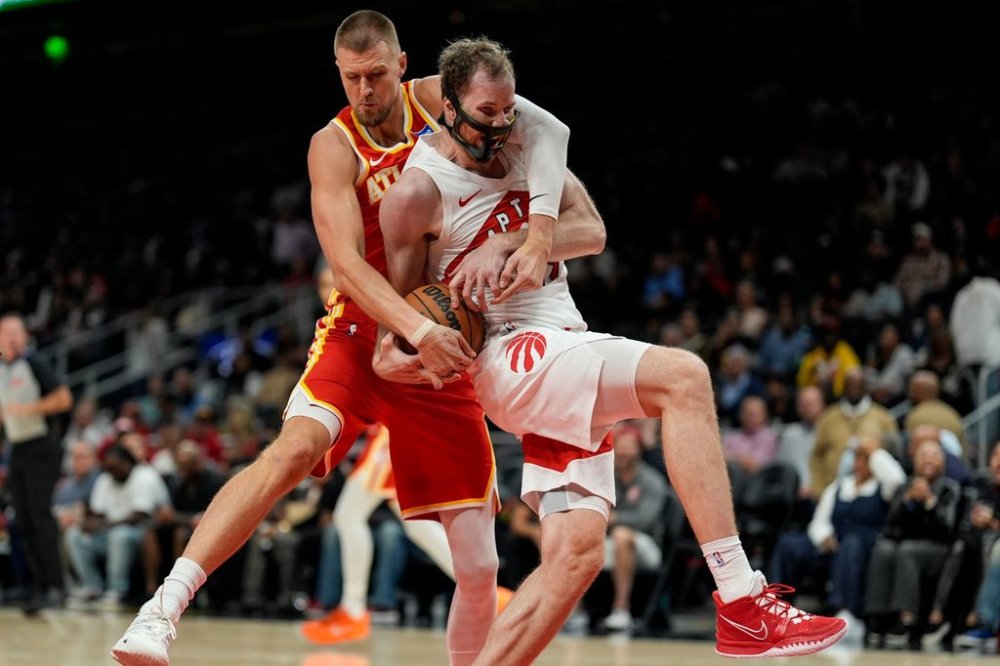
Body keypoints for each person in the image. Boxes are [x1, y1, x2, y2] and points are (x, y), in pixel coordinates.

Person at [111, 10, 578, 666]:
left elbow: (547, 132)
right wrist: (411, 325)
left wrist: (532, 231)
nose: (366, 89)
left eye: (378, 75)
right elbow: (348, 265)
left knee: (477, 564)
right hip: (365, 331)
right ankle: (162, 610)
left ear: (401, 64)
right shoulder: (331, 146)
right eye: (353, 77)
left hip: (438, 344)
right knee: (291, 453)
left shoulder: (441, 98)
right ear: (339, 72)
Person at [377, 36, 847, 662]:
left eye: (507, 110)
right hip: (506, 354)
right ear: (450, 107)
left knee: (575, 558)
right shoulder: (417, 192)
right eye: (485, 113)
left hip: (560, 341)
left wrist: (517, 238)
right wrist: (406, 349)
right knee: (683, 377)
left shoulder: (526, 148)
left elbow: (591, 231)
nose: (499, 124)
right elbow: (398, 319)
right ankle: (740, 600)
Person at [0, 312, 74, 615]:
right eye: (8, 333)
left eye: (19, 332)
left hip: (42, 446)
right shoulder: (2, 370)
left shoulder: (34, 363)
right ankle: (38, 585)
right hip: (16, 448)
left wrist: (26, 409)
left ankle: (57, 585)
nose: (14, 337)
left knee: (41, 515)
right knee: (22, 519)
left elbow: (64, 399)